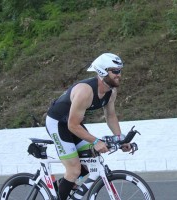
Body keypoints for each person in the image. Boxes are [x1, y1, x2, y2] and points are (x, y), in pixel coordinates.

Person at [45, 53, 132, 200]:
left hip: (73, 123)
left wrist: (121, 139)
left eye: (120, 70)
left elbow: (110, 116)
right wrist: (96, 141)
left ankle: (57, 189)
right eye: (115, 71)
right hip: (58, 123)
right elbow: (72, 125)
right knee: (74, 170)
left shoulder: (111, 92)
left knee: (89, 163)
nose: (119, 74)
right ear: (103, 71)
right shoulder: (85, 91)